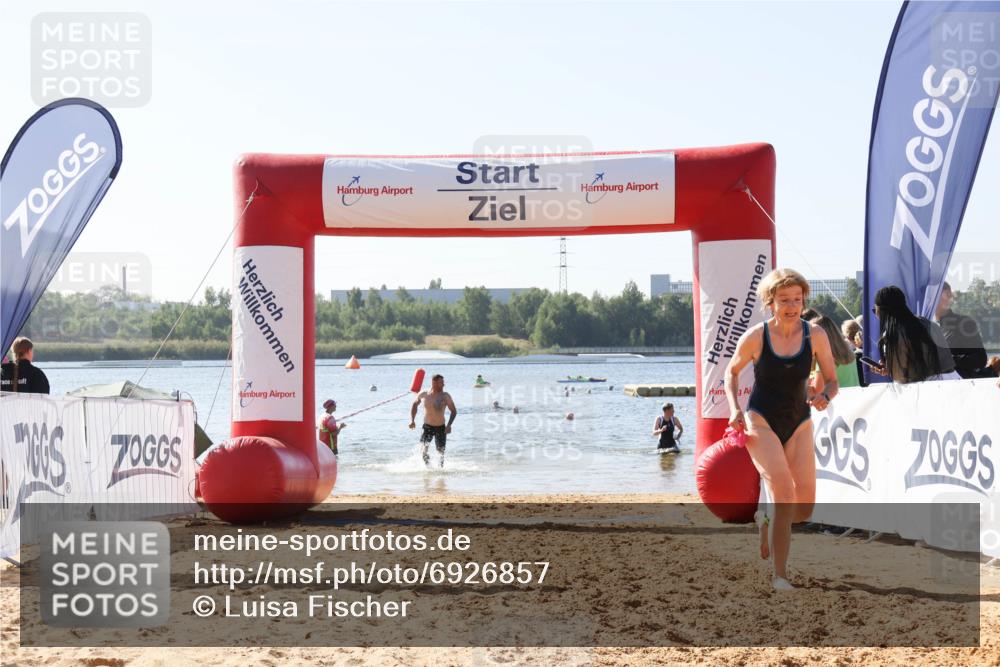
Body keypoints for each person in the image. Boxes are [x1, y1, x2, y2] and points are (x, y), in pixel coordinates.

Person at [726, 268, 839, 591]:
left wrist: (824, 396)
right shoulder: (756, 337)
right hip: (760, 420)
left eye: (797, 300)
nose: (792, 306)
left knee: (803, 508)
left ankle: (765, 518)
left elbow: (832, 379)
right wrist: (735, 408)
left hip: (799, 421)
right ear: (771, 302)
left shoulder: (815, 335)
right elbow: (731, 373)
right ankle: (780, 575)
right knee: (783, 492)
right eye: (785, 300)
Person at [872, 286, 959, 383]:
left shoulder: (893, 333)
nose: (875, 314)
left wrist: (890, 369)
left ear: (882, 311)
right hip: (954, 381)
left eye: (874, 310)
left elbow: (899, 376)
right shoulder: (927, 323)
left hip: (929, 388)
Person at [936, 281, 996, 378]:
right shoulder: (924, 327)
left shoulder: (963, 323)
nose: (928, 298)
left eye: (935, 293)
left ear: (948, 295)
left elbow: (980, 359)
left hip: (961, 387)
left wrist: (948, 360)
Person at [409, 374, 457, 467]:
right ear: (433, 382)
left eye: (443, 383)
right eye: (441, 383)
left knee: (440, 453)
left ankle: (440, 474)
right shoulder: (424, 394)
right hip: (427, 426)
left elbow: (454, 411)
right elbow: (415, 404)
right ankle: (429, 469)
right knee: (423, 451)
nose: (443, 385)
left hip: (441, 427)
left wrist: (449, 425)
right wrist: (412, 420)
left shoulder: (445, 396)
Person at [809, 315, 861, 388]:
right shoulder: (848, 352)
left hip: (837, 398)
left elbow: (817, 389)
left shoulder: (824, 357)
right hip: (856, 396)